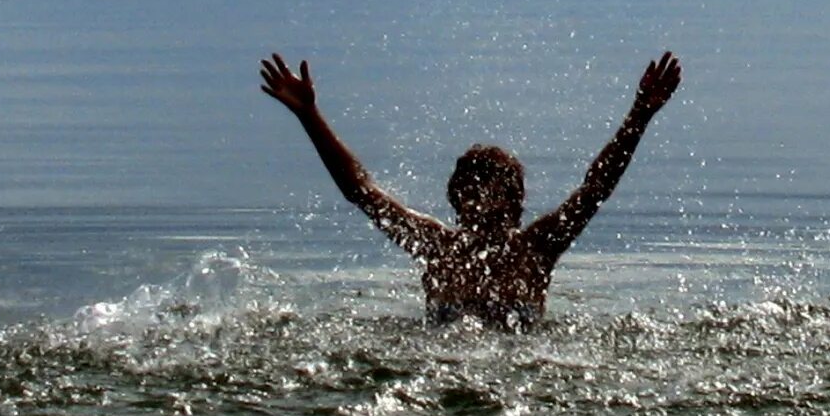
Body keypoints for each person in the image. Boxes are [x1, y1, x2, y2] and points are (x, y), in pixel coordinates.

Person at [259, 50, 680, 327]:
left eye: (496, 189)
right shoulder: (435, 245)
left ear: (518, 201)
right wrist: (309, 117)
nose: (485, 198)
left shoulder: (538, 248)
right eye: (474, 189)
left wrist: (639, 116)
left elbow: (596, 188)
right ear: (455, 199)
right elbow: (362, 192)